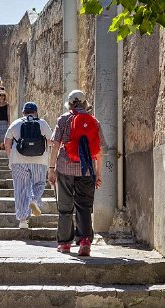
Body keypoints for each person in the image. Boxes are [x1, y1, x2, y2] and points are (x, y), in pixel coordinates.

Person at [49, 90, 104, 256]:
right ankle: (85, 241)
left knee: (65, 207)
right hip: (87, 170)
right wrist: (98, 173)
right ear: (85, 103)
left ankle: (65, 243)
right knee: (85, 206)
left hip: (65, 168)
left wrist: (51, 169)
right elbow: (99, 151)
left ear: (70, 103)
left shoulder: (63, 119)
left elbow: (55, 145)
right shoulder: (93, 121)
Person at [4, 102, 52, 229]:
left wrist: (11, 159)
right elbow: (51, 140)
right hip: (39, 160)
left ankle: (23, 221)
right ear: (36, 112)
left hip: (18, 161)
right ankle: (34, 200)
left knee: (21, 189)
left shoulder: (16, 124)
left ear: (23, 112)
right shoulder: (42, 123)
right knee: (39, 183)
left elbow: (7, 142)